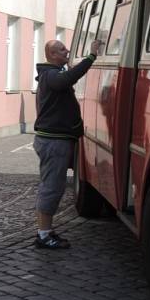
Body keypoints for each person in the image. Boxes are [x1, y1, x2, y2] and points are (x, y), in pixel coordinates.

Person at [32, 38, 101, 250]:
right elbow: (68, 79)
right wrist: (91, 56)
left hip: (56, 140)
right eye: (62, 49)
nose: (66, 51)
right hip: (53, 142)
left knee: (55, 186)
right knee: (51, 187)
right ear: (52, 55)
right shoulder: (51, 75)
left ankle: (46, 231)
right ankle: (43, 236)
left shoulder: (51, 74)